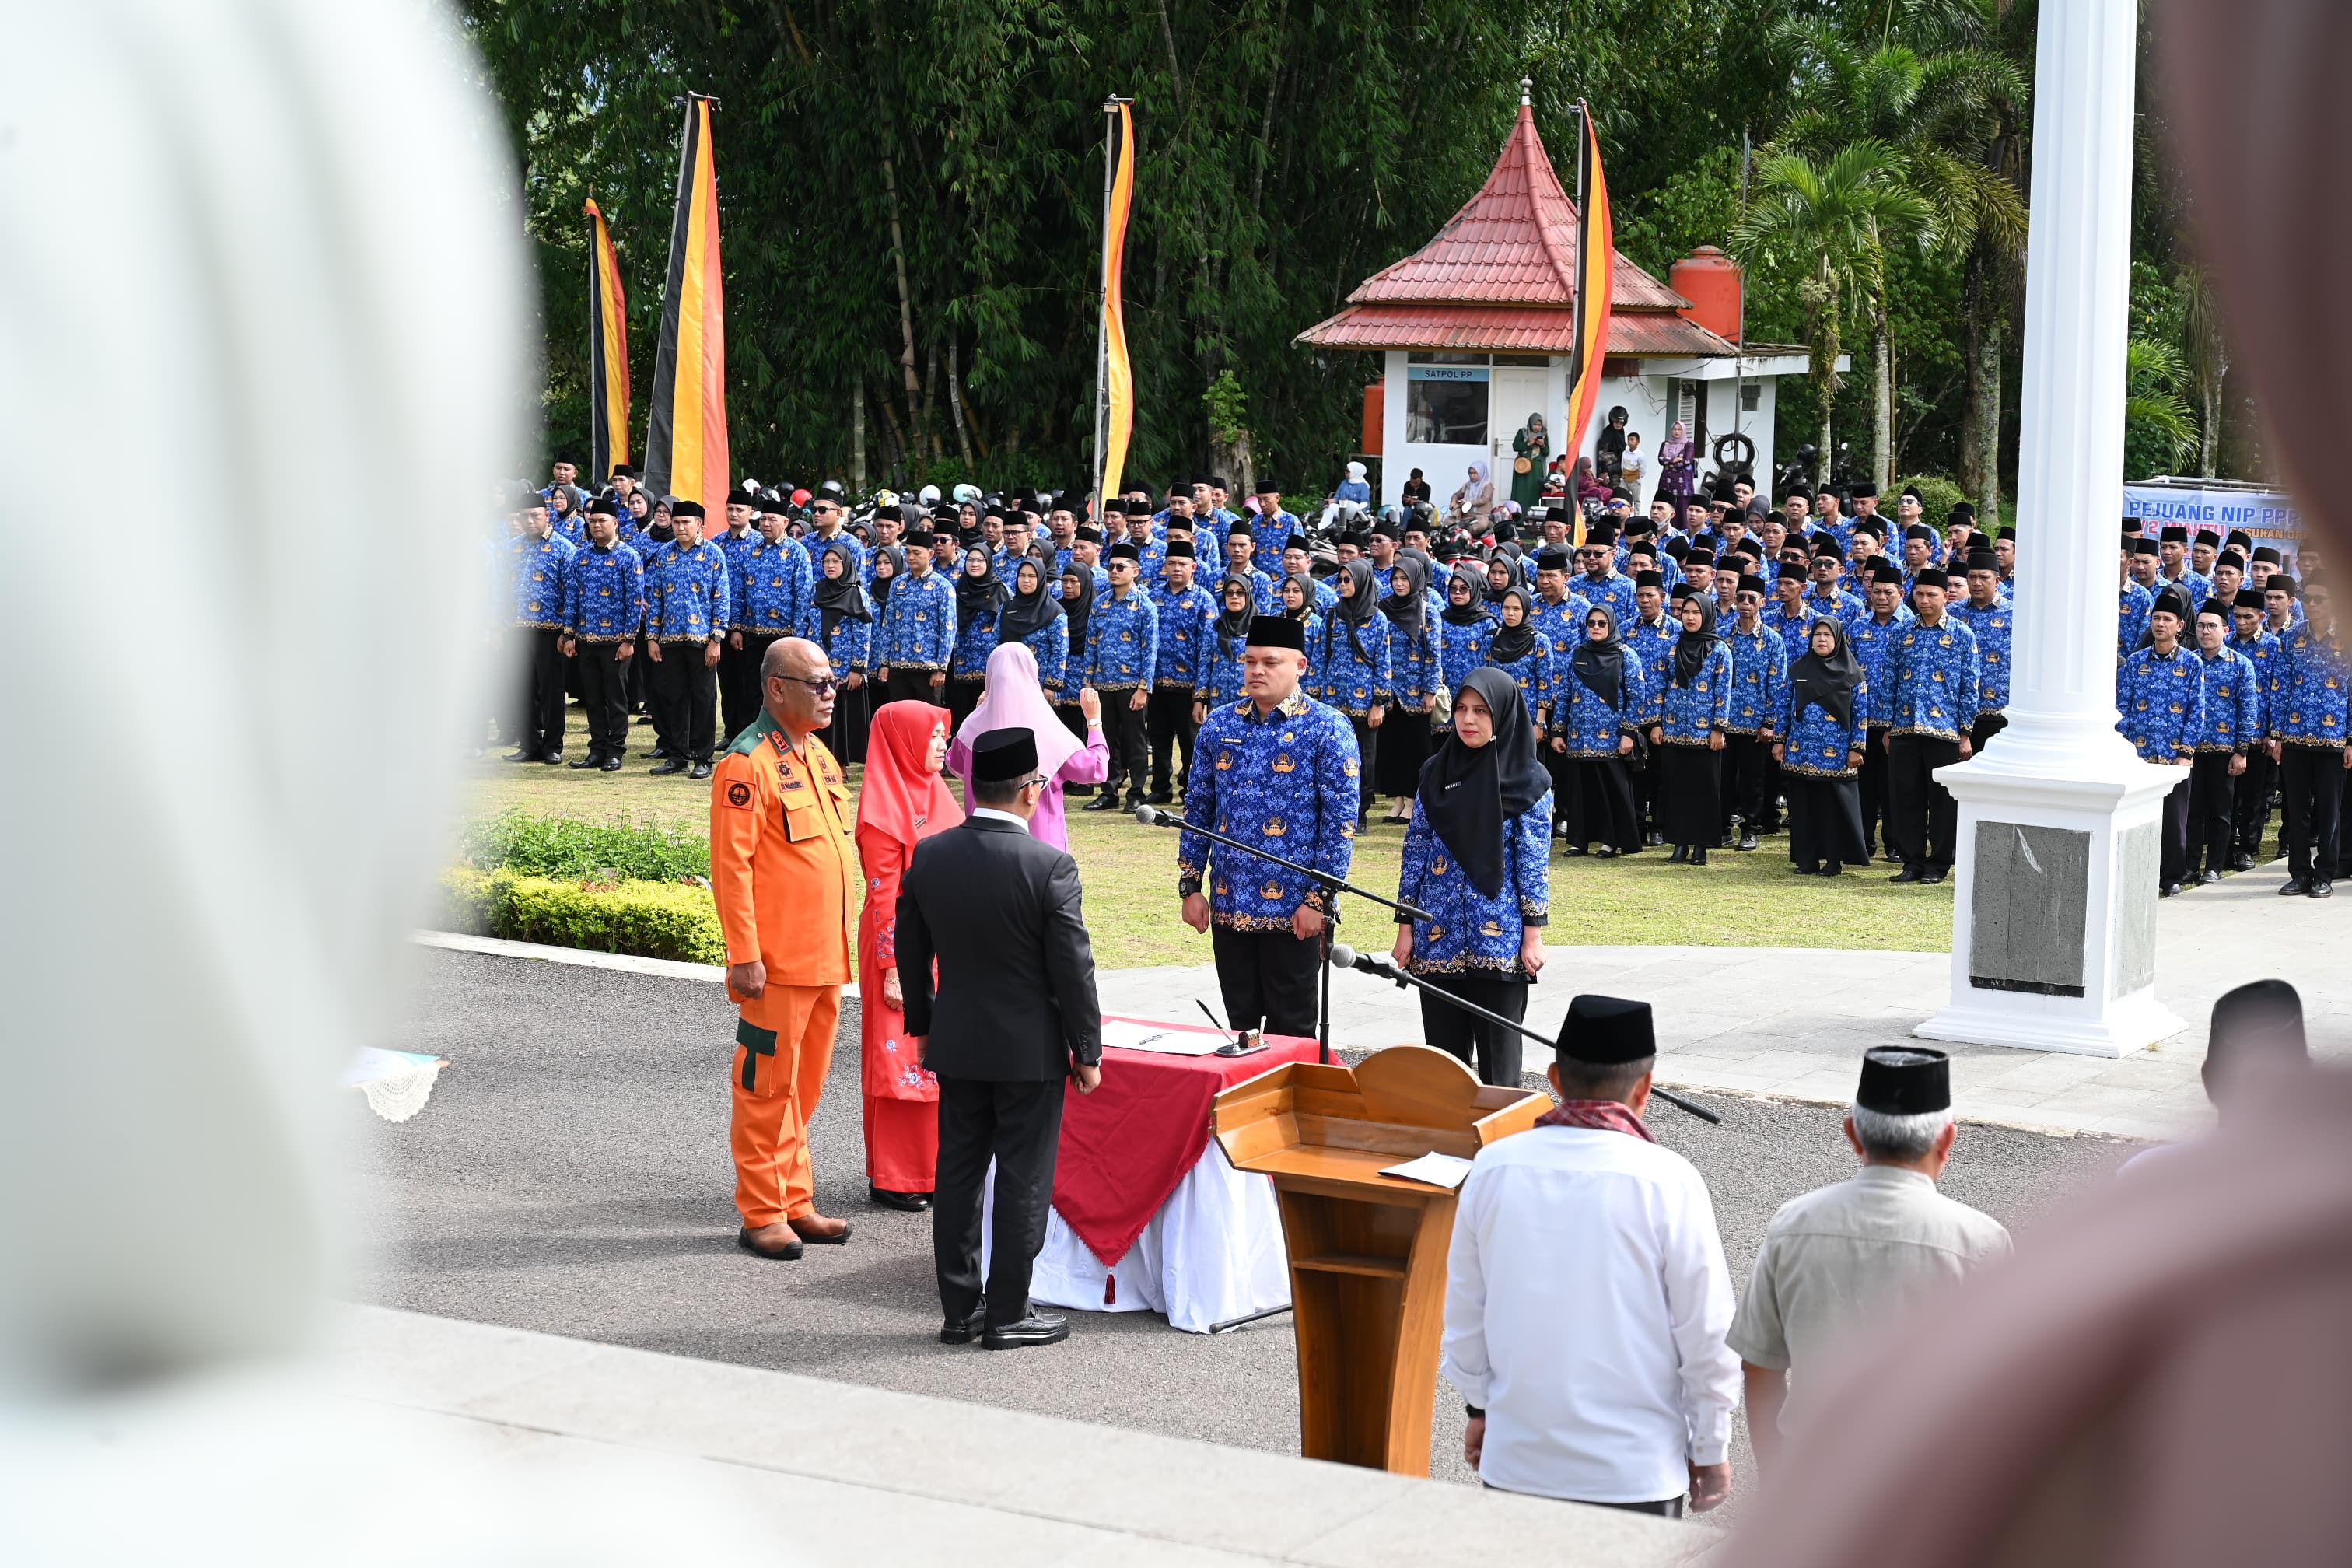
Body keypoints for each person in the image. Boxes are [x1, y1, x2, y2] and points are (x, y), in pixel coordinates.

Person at [1440, 994, 1738, 1516]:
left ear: (1555, 1078)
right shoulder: (1670, 1181)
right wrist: (1711, 1447)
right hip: (1637, 1470)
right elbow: (1707, 1336)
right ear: (1645, 1087)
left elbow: (1465, 1318)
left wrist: (1481, 1408)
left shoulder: (1493, 1168)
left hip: (1518, 1460)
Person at [898, 727, 1103, 1352]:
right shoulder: (1048, 865)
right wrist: (1087, 1050)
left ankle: (960, 1311)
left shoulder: (931, 855)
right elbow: (1074, 968)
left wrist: (923, 1026)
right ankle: (1009, 1310)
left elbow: (911, 949)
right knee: (1023, 1178)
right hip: (1029, 1050)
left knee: (958, 1174)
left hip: (958, 1041)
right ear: (1030, 790)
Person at [1732, 1046, 2011, 1475]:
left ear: (1853, 1133)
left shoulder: (1794, 1224)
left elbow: (1759, 1366)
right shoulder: (1982, 1242)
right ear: (1947, 1139)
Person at [710, 638, 859, 1261]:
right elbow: (732, 868)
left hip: (825, 958)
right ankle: (762, 1213)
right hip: (775, 966)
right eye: (817, 683)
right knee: (765, 1091)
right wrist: (744, 954)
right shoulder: (747, 764)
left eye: (832, 682)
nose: (830, 694)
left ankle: (795, 1200)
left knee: (803, 1090)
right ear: (777, 688)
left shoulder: (818, 756)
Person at [1179, 616, 1360, 1040]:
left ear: (1301, 666)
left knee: (1291, 1028)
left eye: (1270, 663)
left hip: (1295, 909)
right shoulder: (1219, 725)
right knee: (1239, 1027)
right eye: (1250, 662)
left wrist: (1318, 899)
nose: (1257, 671)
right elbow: (1199, 808)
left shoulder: (1327, 727)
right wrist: (1190, 886)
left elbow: (1340, 823)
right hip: (1229, 901)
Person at [1392, 667, 1550, 1084]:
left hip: (1500, 938)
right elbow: (1416, 850)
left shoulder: (1530, 781)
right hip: (1437, 934)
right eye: (1461, 709)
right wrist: (1405, 926)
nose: (1467, 719)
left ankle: (1504, 1131)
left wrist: (1533, 934)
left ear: (1503, 714)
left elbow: (1532, 861)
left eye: (1481, 711)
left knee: (1501, 1071)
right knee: (1446, 1071)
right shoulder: (1435, 772)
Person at [854, 702, 962, 1211]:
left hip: (942, 942)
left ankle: (934, 1169)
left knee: (940, 1056)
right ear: (904, 742)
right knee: (898, 1059)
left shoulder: (936, 790)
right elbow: (882, 896)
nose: (942, 743)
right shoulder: (883, 808)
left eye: (943, 734)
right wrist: (892, 969)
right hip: (900, 944)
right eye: (933, 735)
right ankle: (895, 1176)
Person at [949, 642, 1108, 852]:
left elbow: (955, 764)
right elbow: (1095, 769)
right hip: (1042, 851)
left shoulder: (971, 729)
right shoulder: (1049, 729)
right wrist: (1094, 722)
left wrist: (978, 712)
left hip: (983, 848)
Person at [1881, 567, 1978, 884]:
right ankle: (1911, 862)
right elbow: (1890, 682)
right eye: (1919, 594)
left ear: (1945, 597)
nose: (1924, 600)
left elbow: (1969, 687)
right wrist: (1888, 728)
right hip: (1905, 728)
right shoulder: (1902, 633)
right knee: (1905, 798)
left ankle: (1938, 864)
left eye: (1931, 595)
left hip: (1945, 731)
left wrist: (1965, 732)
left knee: (1942, 801)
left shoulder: (1962, 634)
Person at [2264, 573, 2349, 897]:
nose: (2312, 604)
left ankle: (2324, 874)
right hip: (2295, 738)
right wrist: (2277, 735)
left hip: (2333, 740)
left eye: (2319, 599)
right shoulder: (2292, 639)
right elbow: (2280, 688)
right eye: (2307, 598)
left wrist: (2351, 740)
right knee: (2296, 810)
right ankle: (2299, 873)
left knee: (2329, 811)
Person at [2116, 585, 2203, 895]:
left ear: (2180, 626)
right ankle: (2137, 873)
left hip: (2173, 757)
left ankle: (2170, 878)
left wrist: (2186, 752)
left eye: (2167, 619)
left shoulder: (2192, 664)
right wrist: (2125, 750)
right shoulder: (2136, 661)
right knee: (2137, 818)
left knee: (2174, 822)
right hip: (2138, 757)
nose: (2160, 624)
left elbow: (2196, 711)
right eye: (2156, 618)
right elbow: (2123, 707)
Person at [1776, 618, 1872, 876]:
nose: (1821, 639)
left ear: (1838, 639)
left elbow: (1860, 714)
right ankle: (1806, 859)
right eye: (1817, 634)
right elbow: (1783, 707)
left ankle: (1833, 860)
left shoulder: (1853, 675)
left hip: (1836, 755)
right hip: (1800, 752)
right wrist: (1779, 740)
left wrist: (1857, 748)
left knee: (1831, 809)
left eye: (1828, 635)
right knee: (1803, 807)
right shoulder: (1798, 670)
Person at [644, 499, 730, 779]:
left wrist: (716, 639)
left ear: (699, 525)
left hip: (702, 640)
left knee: (704, 699)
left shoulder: (714, 554)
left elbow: (721, 599)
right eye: (676, 522)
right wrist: (652, 637)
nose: (680, 527)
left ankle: (703, 757)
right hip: (670, 639)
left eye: (686, 523)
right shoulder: (664, 554)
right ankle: (678, 756)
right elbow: (656, 598)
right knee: (674, 698)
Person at [559, 495, 644, 772]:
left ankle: (615, 751)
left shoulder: (628, 556)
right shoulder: (581, 556)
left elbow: (635, 602)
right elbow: (572, 598)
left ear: (615, 523)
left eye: (602, 521)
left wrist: (629, 640)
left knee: (616, 698)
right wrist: (569, 635)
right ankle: (596, 749)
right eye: (593, 521)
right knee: (593, 699)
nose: (596, 525)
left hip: (616, 643)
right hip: (586, 640)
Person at [1553, 606, 1645, 856]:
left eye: (1602, 623)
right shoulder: (1577, 654)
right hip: (1579, 738)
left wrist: (1628, 733)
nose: (1595, 628)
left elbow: (1637, 697)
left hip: (1611, 739)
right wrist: (1558, 732)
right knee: (1581, 791)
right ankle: (1579, 840)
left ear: (1611, 625)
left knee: (1609, 790)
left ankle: (1610, 841)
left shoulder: (1625, 655)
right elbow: (1564, 695)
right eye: (1591, 623)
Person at [1314, 557, 1392, 828]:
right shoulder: (1332, 616)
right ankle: (1331, 811)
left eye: (1348, 580)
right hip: (1333, 701)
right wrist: (1314, 697)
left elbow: (1383, 663)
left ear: (1362, 582)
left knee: (1364, 760)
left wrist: (1379, 702)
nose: (1342, 584)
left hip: (1365, 703)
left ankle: (1360, 814)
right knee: (1331, 757)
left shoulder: (1377, 619)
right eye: (1340, 580)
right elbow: (1320, 657)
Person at [1081, 540, 1159, 811]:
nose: (1114, 571)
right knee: (1107, 739)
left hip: (1131, 685)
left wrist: (1143, 688)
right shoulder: (1100, 604)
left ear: (1135, 572)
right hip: (1102, 684)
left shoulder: (1145, 606)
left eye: (1120, 567)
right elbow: (1091, 645)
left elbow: (1150, 650)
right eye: (1111, 567)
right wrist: (1088, 682)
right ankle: (1109, 790)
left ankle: (1136, 792)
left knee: (1134, 741)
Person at [1653, 596, 1731, 865]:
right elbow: (1660, 687)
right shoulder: (1672, 646)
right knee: (1676, 790)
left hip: (1704, 734)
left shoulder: (1719, 650)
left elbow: (1723, 693)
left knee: (1704, 791)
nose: (1690, 617)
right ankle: (1679, 843)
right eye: (1686, 612)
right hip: (1673, 729)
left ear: (1706, 615)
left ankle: (1701, 846)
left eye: (1696, 612)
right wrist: (1657, 724)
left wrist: (1718, 728)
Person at [2186, 604, 2259, 884]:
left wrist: (2241, 751)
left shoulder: (2241, 665)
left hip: (2224, 751)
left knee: (2221, 812)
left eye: (2212, 626)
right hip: (2192, 751)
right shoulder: (2189, 662)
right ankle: (2190, 866)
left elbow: (2248, 711)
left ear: (2226, 630)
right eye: (2201, 626)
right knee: (2192, 812)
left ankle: (2214, 866)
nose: (2205, 631)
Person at [507, 490, 577, 765]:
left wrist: (567, 632)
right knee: (523, 690)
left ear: (547, 515)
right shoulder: (512, 548)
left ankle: (552, 747)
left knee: (551, 692)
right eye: (524, 516)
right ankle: (529, 745)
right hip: (517, 630)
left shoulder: (563, 548)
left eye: (535, 515)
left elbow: (571, 594)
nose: (529, 521)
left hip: (551, 632)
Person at [1720, 573, 1789, 850]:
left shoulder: (1773, 640)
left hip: (1757, 724)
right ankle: (1723, 827)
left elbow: (1778, 685)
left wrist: (1770, 723)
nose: (1745, 603)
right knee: (1723, 778)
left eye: (1751, 599)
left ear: (1762, 602)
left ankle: (1751, 828)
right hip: (1725, 721)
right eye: (1741, 598)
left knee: (1753, 781)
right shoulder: (1723, 636)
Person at [1377, 557, 1439, 823]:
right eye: (1395, 578)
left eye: (1405, 578)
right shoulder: (1384, 608)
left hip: (1416, 690)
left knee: (1416, 748)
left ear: (1416, 580)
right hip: (1390, 690)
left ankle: (1414, 801)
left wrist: (1430, 690)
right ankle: (1398, 800)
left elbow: (1434, 654)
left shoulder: (1428, 611)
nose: (1399, 583)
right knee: (1393, 746)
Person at [801, 539, 873, 763]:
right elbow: (804, 621)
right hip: (816, 666)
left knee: (839, 717)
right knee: (815, 713)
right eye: (826, 561)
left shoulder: (857, 594)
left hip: (843, 669)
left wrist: (858, 668)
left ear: (847, 564)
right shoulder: (817, 589)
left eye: (836, 561)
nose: (830, 566)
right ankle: (815, 759)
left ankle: (839, 764)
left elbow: (863, 634)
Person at [873, 527, 956, 706]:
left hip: (928, 667)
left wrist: (941, 668)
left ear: (931, 554)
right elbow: (888, 624)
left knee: (928, 718)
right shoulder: (898, 583)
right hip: (898, 666)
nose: (910, 557)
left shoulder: (943, 587)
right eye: (908, 552)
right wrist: (884, 663)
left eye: (916, 553)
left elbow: (948, 629)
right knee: (900, 716)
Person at [947, 544, 1006, 730]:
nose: (974, 564)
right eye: (970, 560)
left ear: (989, 562)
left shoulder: (1000, 591)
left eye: (980, 560)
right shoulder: (958, 589)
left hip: (988, 667)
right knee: (961, 716)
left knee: (987, 719)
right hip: (960, 664)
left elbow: (1006, 628)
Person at [1510, 414, 1549, 512]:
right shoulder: (1522, 432)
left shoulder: (1543, 434)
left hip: (1536, 468)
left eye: (1539, 425)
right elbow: (1516, 446)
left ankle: (1533, 515)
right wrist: (1528, 443)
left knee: (1535, 490)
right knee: (1521, 492)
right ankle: (1519, 515)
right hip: (1522, 466)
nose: (1537, 427)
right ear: (1530, 424)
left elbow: (1546, 452)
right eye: (1535, 425)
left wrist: (1543, 445)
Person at [1451, 461, 1494, 525]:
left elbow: (1484, 500)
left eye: (1474, 473)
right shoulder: (1468, 485)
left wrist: (1469, 503)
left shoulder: (1487, 485)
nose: (1472, 476)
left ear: (1481, 473)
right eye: (1470, 473)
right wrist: (1453, 502)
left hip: (1481, 516)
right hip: (1466, 517)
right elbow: (1456, 495)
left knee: (1478, 526)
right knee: (1448, 522)